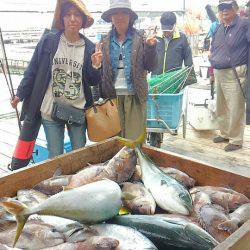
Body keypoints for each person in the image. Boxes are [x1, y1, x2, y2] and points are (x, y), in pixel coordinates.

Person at [11, 0, 101, 158]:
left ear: (83, 20)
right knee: (55, 157)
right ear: (62, 19)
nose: (72, 18)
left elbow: (93, 81)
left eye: (77, 15)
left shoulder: (90, 47)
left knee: (80, 155)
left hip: (78, 110)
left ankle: (77, 183)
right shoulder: (49, 41)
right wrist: (20, 94)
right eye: (68, 14)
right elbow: (32, 70)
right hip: (50, 109)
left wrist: (95, 66)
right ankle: (58, 183)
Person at [91, 0, 157, 140]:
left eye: (124, 12)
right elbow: (98, 75)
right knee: (114, 140)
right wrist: (96, 65)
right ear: (110, 17)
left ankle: (134, 162)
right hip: (112, 99)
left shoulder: (141, 38)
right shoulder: (104, 41)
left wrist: (150, 48)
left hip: (135, 96)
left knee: (134, 142)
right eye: (115, 13)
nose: (119, 16)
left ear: (130, 16)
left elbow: (150, 66)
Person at [209, 0, 250, 151]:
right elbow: (213, 47)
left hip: (235, 72)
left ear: (236, 9)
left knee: (235, 106)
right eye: (221, 8)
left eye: (228, 8)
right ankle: (225, 133)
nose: (224, 11)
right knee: (221, 106)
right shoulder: (220, 27)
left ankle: (236, 139)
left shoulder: (244, 24)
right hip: (219, 71)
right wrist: (212, 65)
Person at [151, 11, 195, 77]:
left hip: (174, 80)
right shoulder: (154, 38)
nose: (166, 33)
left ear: (175, 25)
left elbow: (188, 60)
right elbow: (148, 58)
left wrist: (190, 76)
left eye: (169, 30)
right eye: (164, 30)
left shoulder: (182, 38)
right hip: (156, 80)